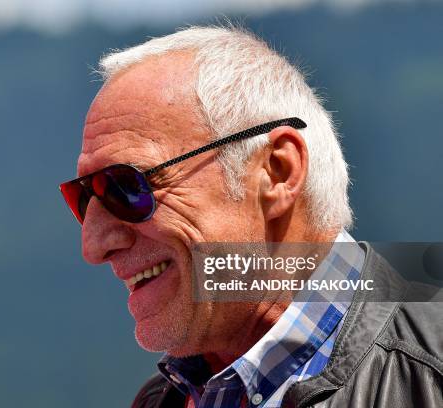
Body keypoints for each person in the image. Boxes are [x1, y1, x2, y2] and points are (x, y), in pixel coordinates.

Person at [59, 25, 442, 407]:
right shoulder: (164, 399)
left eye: (127, 187)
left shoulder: (426, 375)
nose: (93, 246)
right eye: (83, 198)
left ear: (277, 172)